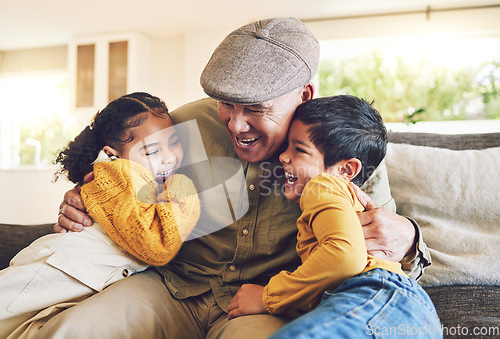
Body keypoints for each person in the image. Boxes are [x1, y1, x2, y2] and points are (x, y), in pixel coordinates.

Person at [45, 18, 430, 338]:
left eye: (255, 108)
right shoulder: (183, 126)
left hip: (262, 302)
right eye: (226, 103)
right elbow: (120, 176)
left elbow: (376, 262)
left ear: (305, 94)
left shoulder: (339, 152)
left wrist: (409, 238)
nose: (236, 123)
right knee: (75, 331)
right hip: (170, 287)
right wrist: (83, 200)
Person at [226, 95, 442, 338]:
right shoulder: (341, 196)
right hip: (401, 309)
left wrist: (268, 297)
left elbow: (345, 256)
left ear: (345, 170)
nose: (283, 157)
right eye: (287, 146)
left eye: (299, 150)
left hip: (374, 295)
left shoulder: (322, 185)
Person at [0, 92, 200, 338]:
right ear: (113, 154)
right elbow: (157, 244)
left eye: (173, 142)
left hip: (80, 277)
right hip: (61, 268)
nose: (170, 157)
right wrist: (181, 188)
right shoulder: (118, 174)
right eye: (151, 152)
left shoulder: (137, 181)